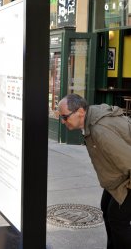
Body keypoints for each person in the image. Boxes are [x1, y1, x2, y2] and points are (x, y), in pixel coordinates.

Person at [58, 93, 131, 249]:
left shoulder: (100, 131)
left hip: (126, 180)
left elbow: (128, 161)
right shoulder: (91, 120)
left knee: (118, 219)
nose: (63, 121)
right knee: (106, 208)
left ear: (80, 112)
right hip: (116, 178)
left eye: (65, 117)